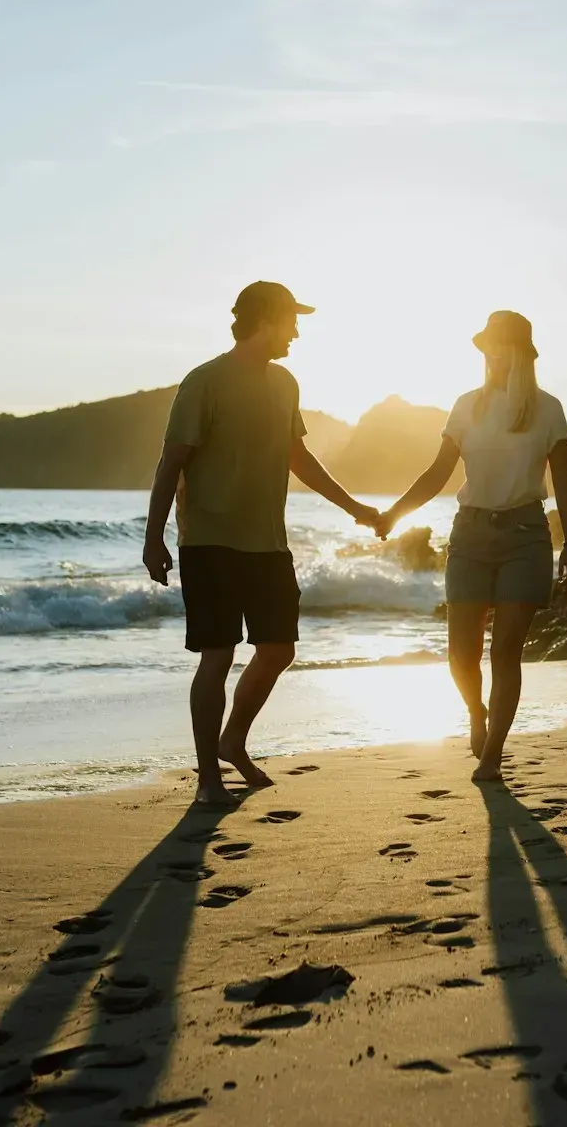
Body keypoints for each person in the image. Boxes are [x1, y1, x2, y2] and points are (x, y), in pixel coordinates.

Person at [143, 282, 382, 807]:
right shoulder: (204, 382)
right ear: (267, 319)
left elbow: (298, 458)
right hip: (210, 542)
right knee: (217, 656)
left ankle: (233, 741)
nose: (297, 331)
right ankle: (208, 779)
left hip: (268, 543)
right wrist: (153, 535)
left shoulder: (286, 383)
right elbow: (171, 462)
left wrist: (356, 508)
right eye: (291, 320)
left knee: (278, 648)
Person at [378, 310, 567, 783]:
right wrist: (393, 513)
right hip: (469, 535)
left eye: (502, 343)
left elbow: (564, 478)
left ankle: (493, 756)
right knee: (460, 656)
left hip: (526, 536)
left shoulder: (549, 409)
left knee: (506, 651)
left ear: (522, 352)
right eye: (488, 343)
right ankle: (475, 708)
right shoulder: (467, 405)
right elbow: (438, 472)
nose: (492, 351)